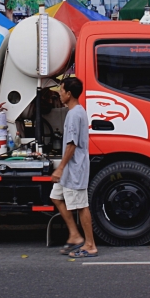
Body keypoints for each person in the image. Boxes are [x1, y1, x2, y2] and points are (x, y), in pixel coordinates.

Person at [51, 77, 98, 257]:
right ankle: (75, 235)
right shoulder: (76, 111)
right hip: (70, 169)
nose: (59, 94)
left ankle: (90, 245)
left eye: (61, 91)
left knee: (81, 206)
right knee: (56, 197)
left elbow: (72, 144)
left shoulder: (74, 114)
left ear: (69, 94)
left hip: (74, 168)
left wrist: (61, 167)